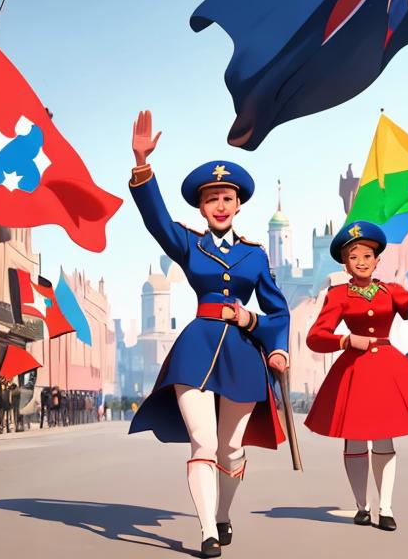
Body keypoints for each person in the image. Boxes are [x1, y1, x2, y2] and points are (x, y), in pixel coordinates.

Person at [127, 110, 290, 559]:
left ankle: (223, 513)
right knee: (204, 441)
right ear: (201, 207)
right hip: (196, 350)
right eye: (211, 198)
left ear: (238, 205)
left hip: (240, 354)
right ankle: (207, 531)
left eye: (227, 197)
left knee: (231, 448)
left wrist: (271, 345)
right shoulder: (188, 244)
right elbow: (157, 220)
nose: (219, 204)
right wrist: (143, 167)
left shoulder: (255, 257)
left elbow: (277, 311)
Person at [306, 221, 408, 532]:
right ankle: (362, 505)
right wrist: (345, 340)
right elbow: (316, 337)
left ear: (377, 260)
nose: (361, 262)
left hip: (385, 369)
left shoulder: (390, 291)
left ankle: (385, 507)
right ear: (344, 262)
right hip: (353, 371)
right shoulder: (338, 295)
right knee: (355, 438)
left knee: (385, 437)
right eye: (353, 256)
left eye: (367, 256)